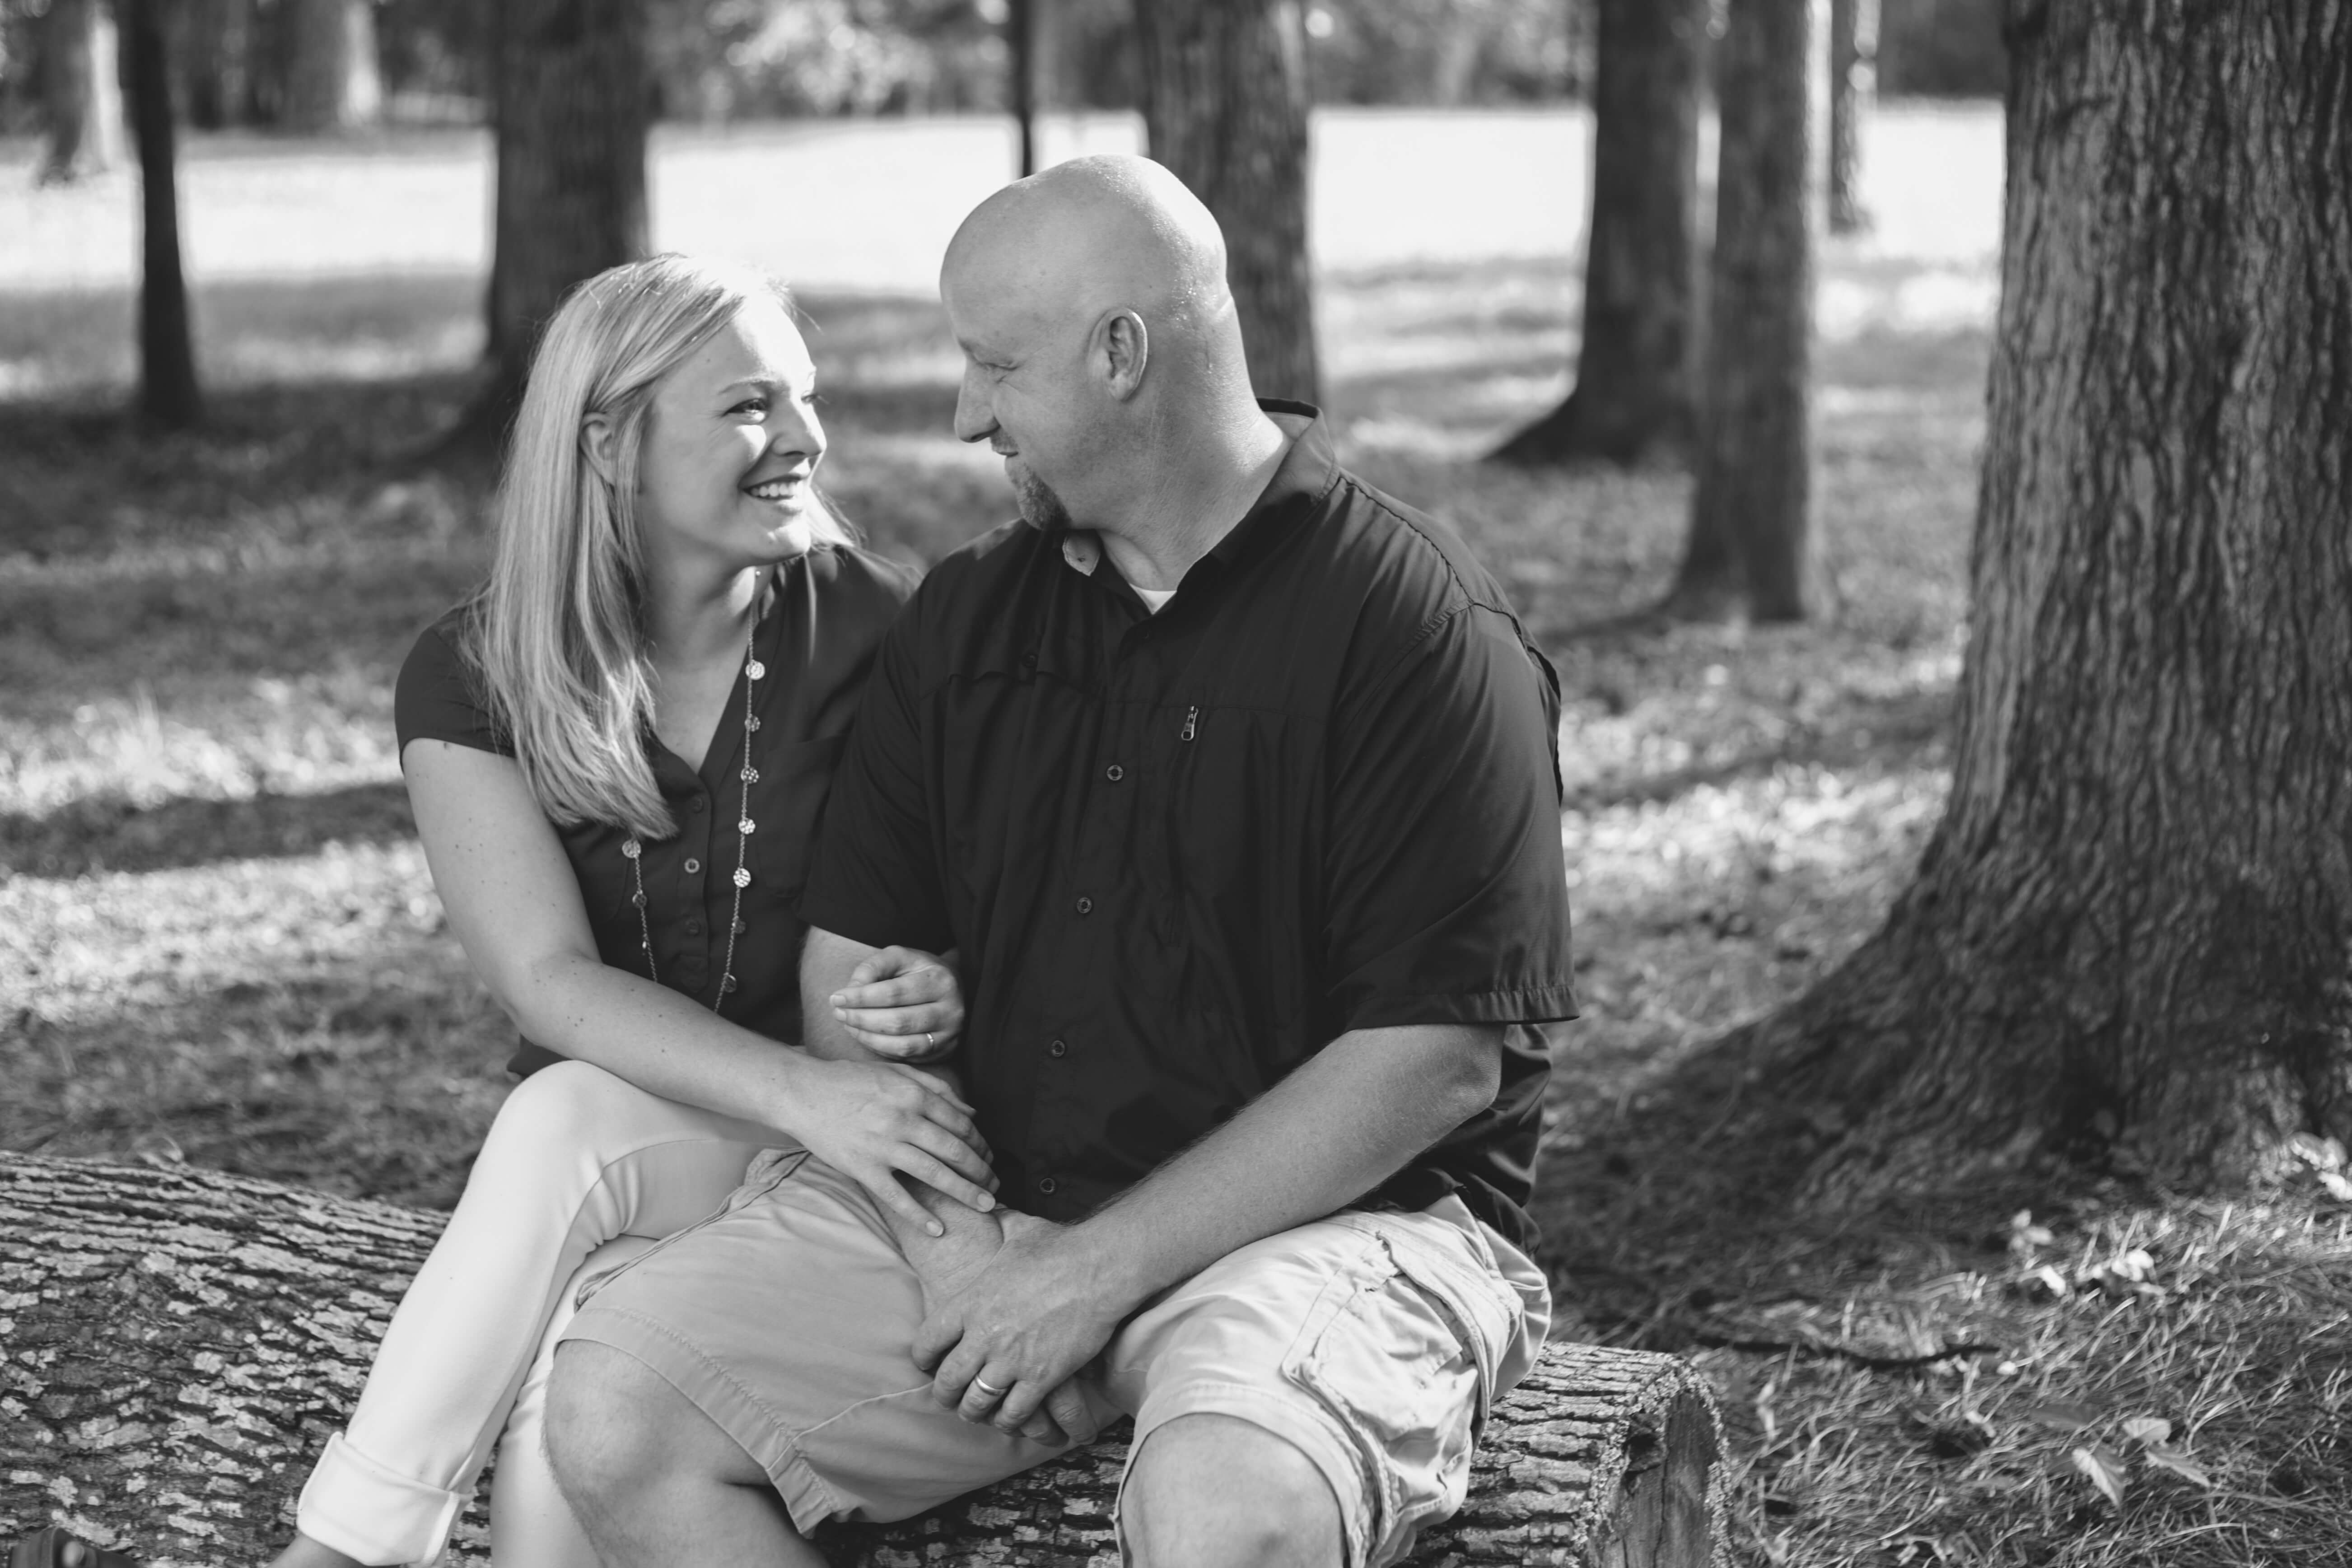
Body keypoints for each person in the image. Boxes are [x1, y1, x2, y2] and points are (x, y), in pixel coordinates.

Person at [539, 155, 1579, 1568]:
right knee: (621, 1409)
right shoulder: (966, 620)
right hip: (989, 1214)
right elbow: (849, 973)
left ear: (1123, 355)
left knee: (1234, 1510)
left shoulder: (1413, 632)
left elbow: (1433, 1061)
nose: (967, 416)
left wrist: (1090, 1277)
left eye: (992, 368)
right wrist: (966, 1251)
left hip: (1332, 1230)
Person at [267, 254, 994, 1568]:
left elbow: (986, 902)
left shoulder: (882, 630)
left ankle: (341, 1553)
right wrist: (795, 1089)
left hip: (835, 1162)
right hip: (638, 1150)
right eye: (747, 406)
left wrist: (944, 980)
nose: (804, 440)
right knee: (566, 1375)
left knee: (569, 1287)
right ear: (609, 441)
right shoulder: (477, 673)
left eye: (806, 397)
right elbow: (546, 980)